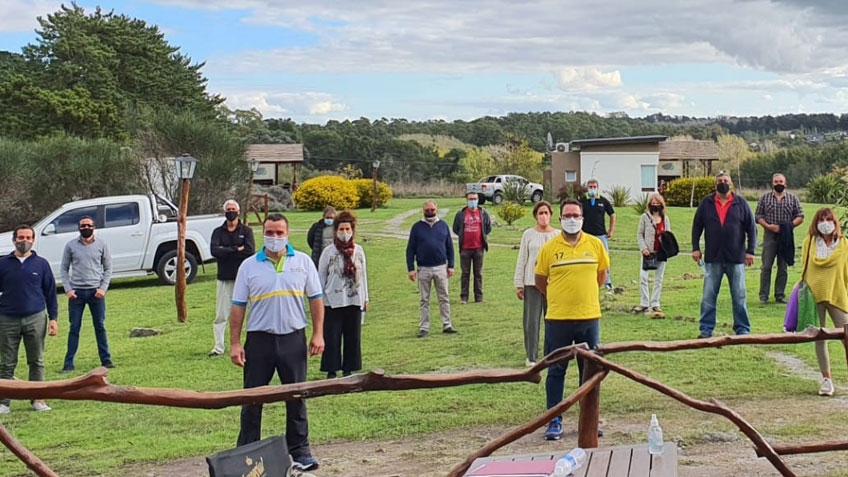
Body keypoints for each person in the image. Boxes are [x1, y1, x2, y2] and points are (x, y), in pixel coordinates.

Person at [229, 214, 324, 471]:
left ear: (287, 233)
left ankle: (300, 451)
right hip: (259, 340)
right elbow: (238, 306)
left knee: (296, 396)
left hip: (293, 338)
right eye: (270, 232)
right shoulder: (249, 266)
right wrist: (235, 343)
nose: (275, 237)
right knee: (252, 398)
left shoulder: (303, 262)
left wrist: (318, 334)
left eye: (279, 232)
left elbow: (315, 299)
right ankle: (246, 451)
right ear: (263, 233)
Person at [534, 199, 609, 441]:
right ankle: (554, 420)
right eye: (567, 215)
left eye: (576, 215)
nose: (572, 219)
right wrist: (561, 297)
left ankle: (589, 419)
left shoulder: (596, 245)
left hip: (589, 317)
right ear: (560, 219)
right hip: (558, 319)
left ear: (582, 218)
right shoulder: (549, 248)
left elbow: (601, 275)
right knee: (556, 370)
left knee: (589, 371)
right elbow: (540, 281)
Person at [0, 225, 59, 414]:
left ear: (33, 240)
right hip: (7, 318)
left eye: (27, 237)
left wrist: (53, 318)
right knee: (7, 362)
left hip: (35, 317)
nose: (24, 240)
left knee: (37, 361)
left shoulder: (41, 264)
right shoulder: (3, 263)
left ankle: (38, 399)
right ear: (14, 239)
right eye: (20, 237)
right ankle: (3, 402)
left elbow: (50, 293)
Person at [692, 172, 757, 338]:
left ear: (731, 184)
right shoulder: (706, 203)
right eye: (720, 181)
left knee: (739, 296)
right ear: (715, 184)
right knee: (708, 296)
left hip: (736, 258)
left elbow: (752, 228)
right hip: (713, 258)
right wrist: (695, 248)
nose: (723, 183)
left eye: (726, 181)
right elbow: (697, 227)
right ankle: (706, 329)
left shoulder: (741, 203)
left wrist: (750, 251)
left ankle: (742, 329)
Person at [799, 208, 848, 397]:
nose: (825, 222)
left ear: (835, 222)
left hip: (837, 295)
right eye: (821, 219)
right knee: (819, 337)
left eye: (829, 219)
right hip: (814, 297)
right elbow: (804, 269)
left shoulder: (844, 244)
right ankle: (827, 379)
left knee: (846, 334)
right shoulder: (809, 242)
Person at [318, 211, 369, 379]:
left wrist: (366, 297)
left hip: (354, 299)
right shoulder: (328, 252)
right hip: (332, 300)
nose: (345, 232)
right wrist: (320, 299)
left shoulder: (359, 251)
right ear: (336, 231)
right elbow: (321, 276)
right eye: (341, 229)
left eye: (348, 228)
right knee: (332, 335)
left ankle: (349, 367)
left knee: (352, 335)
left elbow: (364, 275)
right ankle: (331, 369)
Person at [60, 216, 113, 372]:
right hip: (77, 294)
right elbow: (64, 269)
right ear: (78, 228)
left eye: (88, 225)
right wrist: (68, 289)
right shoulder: (70, 246)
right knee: (74, 328)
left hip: (96, 292)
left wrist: (102, 288)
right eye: (82, 226)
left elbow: (108, 268)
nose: (85, 228)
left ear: (94, 227)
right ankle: (68, 364)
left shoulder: (102, 244)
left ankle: (106, 360)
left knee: (100, 327)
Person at [513, 201, 559, 367]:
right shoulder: (528, 234)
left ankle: (552, 354)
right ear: (535, 216)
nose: (544, 216)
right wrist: (519, 283)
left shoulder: (558, 235)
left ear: (551, 215)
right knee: (531, 321)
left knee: (553, 320)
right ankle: (531, 356)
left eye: (546, 213)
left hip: (552, 284)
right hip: (531, 283)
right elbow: (522, 259)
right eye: (541, 213)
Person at [209, 200, 255, 357]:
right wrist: (236, 248)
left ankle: (251, 345)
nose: (231, 212)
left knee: (251, 312)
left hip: (244, 279)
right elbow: (215, 251)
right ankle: (218, 347)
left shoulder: (246, 231)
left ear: (239, 211)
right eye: (228, 209)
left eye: (233, 209)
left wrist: (226, 251)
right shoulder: (217, 232)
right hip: (224, 278)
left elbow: (249, 251)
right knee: (221, 314)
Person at [406, 200, 456, 338]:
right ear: (423, 211)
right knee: (424, 300)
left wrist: (451, 265)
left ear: (437, 209)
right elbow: (410, 249)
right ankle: (424, 327)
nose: (430, 212)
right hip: (423, 269)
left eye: (432, 210)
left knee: (444, 297)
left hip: (441, 268)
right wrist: (411, 268)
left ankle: (447, 324)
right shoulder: (417, 227)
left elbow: (450, 247)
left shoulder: (443, 226)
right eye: (427, 210)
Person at [755, 173, 804, 304]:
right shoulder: (765, 198)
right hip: (769, 235)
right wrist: (769, 226)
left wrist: (789, 227)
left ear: (785, 183)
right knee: (766, 266)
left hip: (786, 236)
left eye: (781, 181)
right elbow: (758, 216)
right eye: (776, 182)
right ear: (773, 183)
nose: (778, 184)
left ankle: (779, 295)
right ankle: (763, 296)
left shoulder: (792, 198)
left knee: (783, 267)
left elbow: (800, 216)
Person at [634, 193, 671, 318]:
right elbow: (639, 234)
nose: (655, 205)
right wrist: (643, 248)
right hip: (648, 252)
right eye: (653, 203)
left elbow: (669, 235)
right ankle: (644, 303)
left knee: (658, 279)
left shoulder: (665, 218)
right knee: (643, 277)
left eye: (657, 203)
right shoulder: (644, 217)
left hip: (661, 252)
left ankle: (655, 303)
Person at [452, 192, 492, 304]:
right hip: (465, 248)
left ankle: (478, 297)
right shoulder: (461, 214)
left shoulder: (483, 213)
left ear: (478, 199)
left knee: (478, 273)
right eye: (470, 199)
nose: (473, 201)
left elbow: (488, 227)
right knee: (465, 273)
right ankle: (464, 297)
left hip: (479, 248)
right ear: (466, 200)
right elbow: (456, 228)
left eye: (474, 198)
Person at [580, 179, 616, 290]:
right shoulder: (582, 201)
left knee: (604, 258)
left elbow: (612, 214)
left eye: (594, 186)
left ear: (597, 187)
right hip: (585, 235)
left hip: (601, 235)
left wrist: (611, 230)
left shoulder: (603, 201)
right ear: (587, 188)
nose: (592, 188)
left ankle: (607, 281)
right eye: (590, 186)